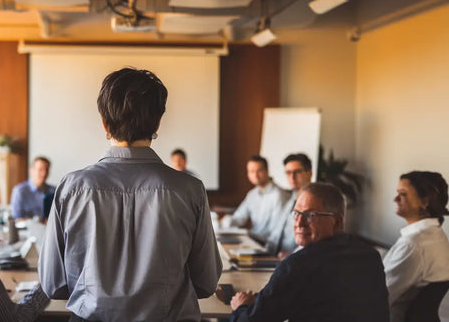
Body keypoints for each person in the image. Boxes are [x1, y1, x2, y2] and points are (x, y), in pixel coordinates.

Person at [39, 68, 222, 321]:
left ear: (104, 122)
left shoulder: (71, 188)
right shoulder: (189, 189)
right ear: (158, 122)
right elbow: (206, 283)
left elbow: (53, 285)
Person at [229, 182, 390, 322]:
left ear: (338, 222)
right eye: (296, 213)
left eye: (310, 215)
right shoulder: (370, 256)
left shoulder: (298, 265)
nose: (299, 222)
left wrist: (240, 307)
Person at [382, 171, 449, 322]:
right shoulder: (436, 235)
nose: (395, 199)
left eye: (403, 194)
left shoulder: (414, 245)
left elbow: (379, 297)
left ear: (425, 201)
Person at [221, 155, 291, 243]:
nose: (255, 175)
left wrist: (248, 234)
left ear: (267, 171)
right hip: (254, 241)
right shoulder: (252, 194)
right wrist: (225, 221)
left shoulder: (278, 195)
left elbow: (275, 232)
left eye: (259, 171)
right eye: (251, 171)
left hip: (268, 245)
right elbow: (239, 217)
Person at [266, 153, 313, 254]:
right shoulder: (290, 199)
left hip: (296, 261)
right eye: (288, 172)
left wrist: (292, 255)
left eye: (297, 172)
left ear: (309, 173)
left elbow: (314, 240)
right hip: (275, 258)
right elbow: (276, 234)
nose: (292, 177)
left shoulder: (315, 203)